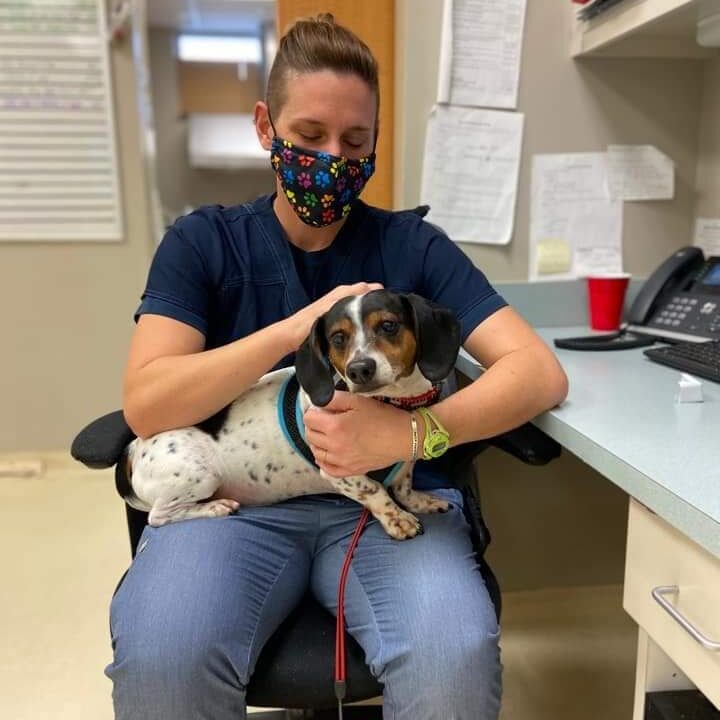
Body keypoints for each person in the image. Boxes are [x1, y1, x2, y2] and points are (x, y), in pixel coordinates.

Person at [107, 14, 568, 720]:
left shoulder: (414, 248)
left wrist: (414, 438)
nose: (332, 159)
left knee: (454, 665)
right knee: (165, 662)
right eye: (309, 137)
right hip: (239, 508)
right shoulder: (203, 244)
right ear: (266, 128)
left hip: (389, 507)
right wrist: (293, 331)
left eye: (355, 142)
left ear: (376, 143)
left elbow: (537, 375)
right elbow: (147, 404)